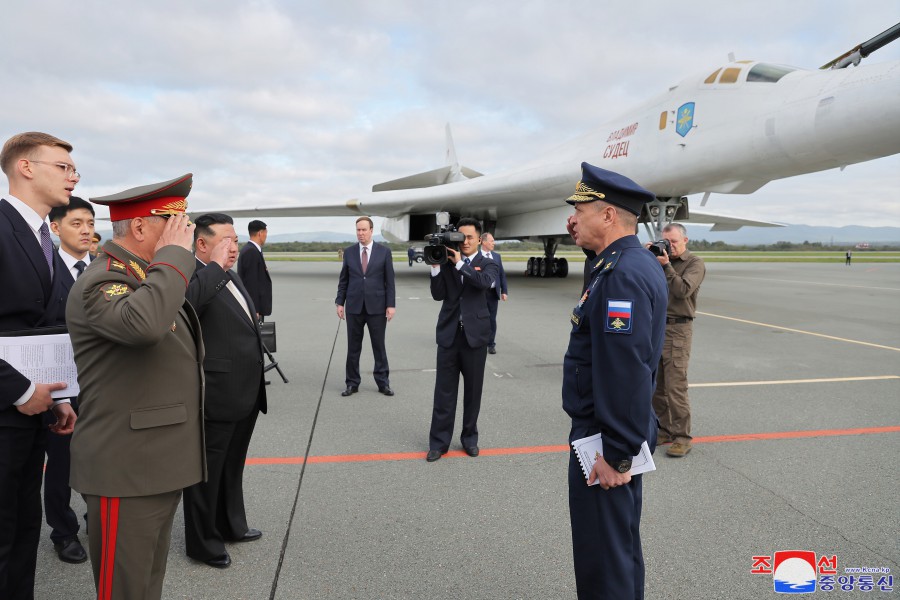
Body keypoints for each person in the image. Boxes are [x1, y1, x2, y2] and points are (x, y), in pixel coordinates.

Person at [67, 174, 205, 600]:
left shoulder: (146, 276)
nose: (185, 233)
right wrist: (174, 259)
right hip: (125, 468)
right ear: (141, 228)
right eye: (174, 223)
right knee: (123, 590)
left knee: (147, 582)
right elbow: (144, 326)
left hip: (156, 462)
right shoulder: (102, 280)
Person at [562, 162, 666, 599]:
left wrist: (618, 455)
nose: (573, 220)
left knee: (604, 561)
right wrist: (589, 246)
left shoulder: (620, 275)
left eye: (581, 212)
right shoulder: (625, 263)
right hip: (612, 433)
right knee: (616, 552)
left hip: (606, 441)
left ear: (607, 216)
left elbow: (624, 370)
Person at [0, 131, 78, 600]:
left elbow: (46, 326)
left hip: (36, 412)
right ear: (26, 167)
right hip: (6, 408)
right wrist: (19, 390)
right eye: (63, 167)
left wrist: (59, 397)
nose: (73, 176)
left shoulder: (43, 235)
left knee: (26, 526)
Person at [183, 213, 267, 569]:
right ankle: (202, 543)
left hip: (245, 390)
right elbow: (188, 303)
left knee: (232, 466)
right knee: (207, 472)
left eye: (235, 240)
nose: (234, 247)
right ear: (202, 244)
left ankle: (231, 524)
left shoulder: (231, 274)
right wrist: (214, 267)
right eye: (225, 241)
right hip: (216, 392)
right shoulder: (191, 275)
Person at [43, 196, 96, 565]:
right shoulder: (45, 272)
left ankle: (101, 516)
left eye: (90, 223)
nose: (86, 230)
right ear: (56, 228)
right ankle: (63, 531)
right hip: (62, 386)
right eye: (77, 223)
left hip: (102, 384)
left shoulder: (106, 269)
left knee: (104, 455)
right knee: (61, 463)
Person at [426, 217, 499, 462]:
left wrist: (459, 265)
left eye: (469, 237)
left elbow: (483, 284)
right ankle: (438, 443)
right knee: (444, 393)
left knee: (473, 393)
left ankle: (469, 438)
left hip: (474, 337)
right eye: (461, 237)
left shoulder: (488, 263)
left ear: (479, 239)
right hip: (449, 336)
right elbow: (438, 295)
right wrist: (436, 266)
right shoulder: (447, 261)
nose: (464, 241)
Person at [650, 223, 706, 458]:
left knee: (675, 386)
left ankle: (683, 437)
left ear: (685, 240)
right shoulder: (660, 259)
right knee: (657, 386)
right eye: (666, 242)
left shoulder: (694, 263)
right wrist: (647, 257)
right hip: (657, 327)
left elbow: (683, 290)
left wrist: (667, 267)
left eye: (673, 242)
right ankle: (664, 428)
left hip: (678, 330)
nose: (669, 246)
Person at [335, 216, 396, 396]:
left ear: (371, 230)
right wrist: (340, 302)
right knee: (353, 347)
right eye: (358, 230)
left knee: (379, 346)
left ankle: (383, 382)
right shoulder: (350, 252)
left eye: (363, 230)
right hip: (354, 307)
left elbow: (389, 281)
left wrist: (390, 305)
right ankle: (352, 383)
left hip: (377, 307)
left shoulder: (384, 252)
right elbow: (343, 280)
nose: (360, 233)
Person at [238, 219, 272, 322]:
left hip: (256, 307)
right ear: (260, 233)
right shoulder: (251, 251)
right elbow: (251, 282)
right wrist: (254, 309)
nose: (266, 236)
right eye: (266, 233)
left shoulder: (252, 249)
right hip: (254, 309)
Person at [479, 232, 508, 354]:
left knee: (491, 319)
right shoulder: (476, 256)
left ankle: (491, 344)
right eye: (491, 241)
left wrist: (504, 291)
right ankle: (478, 343)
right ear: (484, 242)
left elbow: (501, 274)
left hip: (492, 293)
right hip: (479, 293)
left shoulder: (496, 256)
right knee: (478, 319)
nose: (493, 243)